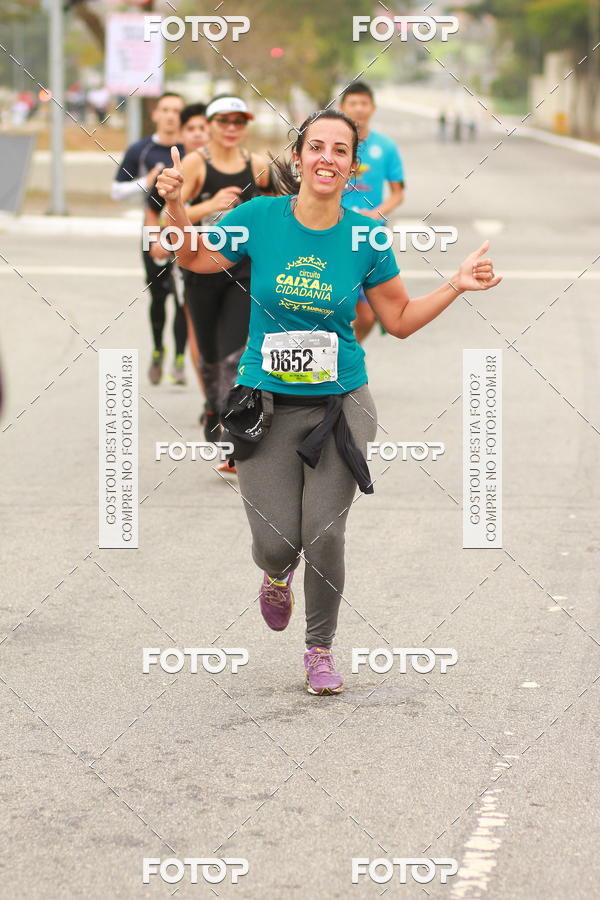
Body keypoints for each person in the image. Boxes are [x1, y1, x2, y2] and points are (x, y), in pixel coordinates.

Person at [156, 109, 501, 696]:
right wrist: (174, 206)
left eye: (340, 150)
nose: (326, 158)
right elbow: (193, 258)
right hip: (263, 403)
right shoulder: (259, 217)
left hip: (341, 404)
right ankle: (276, 574)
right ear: (298, 157)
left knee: (324, 533)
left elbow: (398, 319)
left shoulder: (367, 235)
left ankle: (319, 649)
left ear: (352, 166)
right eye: (316, 146)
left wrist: (455, 284)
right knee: (276, 543)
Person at [177, 95, 271, 461]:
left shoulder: (256, 164)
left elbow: (279, 206)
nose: (231, 128)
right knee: (210, 356)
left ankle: (232, 434)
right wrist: (210, 205)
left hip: (242, 272)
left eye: (239, 122)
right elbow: (172, 215)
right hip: (201, 270)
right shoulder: (196, 163)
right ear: (210, 124)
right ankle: (213, 409)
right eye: (223, 121)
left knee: (234, 354)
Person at [111, 92, 186, 385]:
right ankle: (158, 350)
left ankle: (179, 358)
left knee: (184, 299)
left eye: (176, 111)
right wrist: (146, 181)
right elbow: (117, 191)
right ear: (155, 114)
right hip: (151, 229)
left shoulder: (191, 151)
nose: (170, 116)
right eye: (165, 109)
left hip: (184, 232)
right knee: (159, 295)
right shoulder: (140, 150)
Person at [146, 102, 209, 396]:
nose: (197, 134)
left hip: (228, 261)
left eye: (203, 128)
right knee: (184, 311)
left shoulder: (235, 168)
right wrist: (157, 241)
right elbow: (154, 214)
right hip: (186, 257)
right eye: (191, 129)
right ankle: (179, 361)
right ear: (181, 135)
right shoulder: (171, 174)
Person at [340, 81, 406, 343]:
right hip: (334, 232)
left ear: (372, 108)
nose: (359, 108)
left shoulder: (386, 147)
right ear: (342, 107)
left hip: (370, 236)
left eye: (364, 103)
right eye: (353, 103)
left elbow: (398, 194)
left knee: (367, 316)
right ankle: (337, 358)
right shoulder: (333, 145)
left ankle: (348, 354)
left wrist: (375, 215)